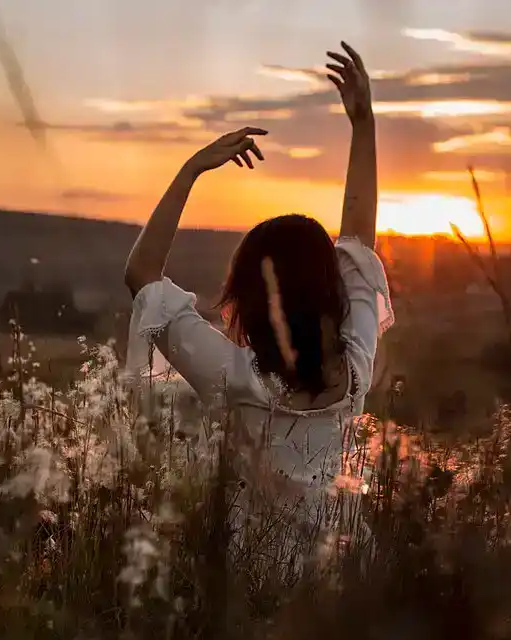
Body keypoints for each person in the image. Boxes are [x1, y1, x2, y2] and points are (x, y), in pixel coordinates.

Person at [122, 42, 393, 580]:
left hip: (254, 582)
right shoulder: (357, 366)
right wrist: (364, 125)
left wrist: (193, 168)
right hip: (340, 578)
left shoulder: (235, 377)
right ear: (329, 291)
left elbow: (141, 277)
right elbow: (360, 237)